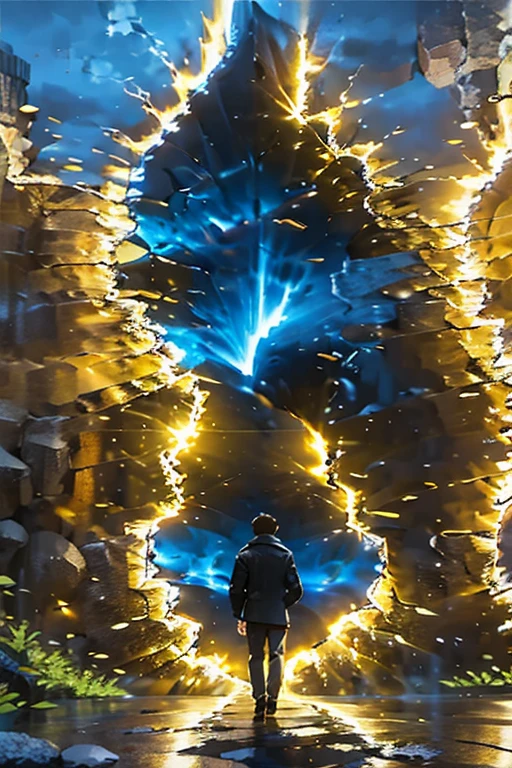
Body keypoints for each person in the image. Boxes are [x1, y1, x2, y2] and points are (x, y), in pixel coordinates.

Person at [229, 514, 303, 720]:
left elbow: (236, 588)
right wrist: (280, 604)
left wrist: (239, 613)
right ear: (275, 530)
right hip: (278, 615)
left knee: (256, 656)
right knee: (277, 656)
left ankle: (259, 697)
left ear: (254, 531)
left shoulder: (245, 555)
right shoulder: (285, 554)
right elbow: (296, 589)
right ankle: (273, 698)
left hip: (253, 614)